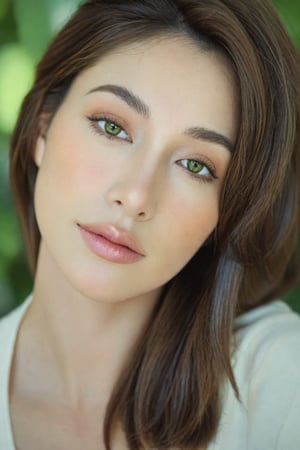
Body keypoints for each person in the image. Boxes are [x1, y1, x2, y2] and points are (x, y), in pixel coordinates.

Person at [0, 0, 299, 448]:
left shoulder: (279, 382)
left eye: (196, 166)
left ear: (230, 212)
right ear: (43, 126)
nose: (136, 196)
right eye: (112, 127)